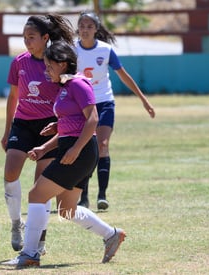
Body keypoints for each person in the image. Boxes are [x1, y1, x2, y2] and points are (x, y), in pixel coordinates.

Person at [5, 40, 126, 269]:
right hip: (75, 149)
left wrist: (75, 149)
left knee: (36, 194)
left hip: (79, 152)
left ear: (62, 64)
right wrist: (46, 145)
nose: (46, 70)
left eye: (49, 66)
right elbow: (72, 125)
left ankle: (30, 254)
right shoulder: (65, 86)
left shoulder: (78, 84)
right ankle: (111, 235)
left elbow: (93, 119)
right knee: (66, 209)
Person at [1, 14, 74, 254]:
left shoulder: (56, 63)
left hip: (49, 126)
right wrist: (6, 130)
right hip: (22, 123)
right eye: (24, 37)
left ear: (45, 38)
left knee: (40, 187)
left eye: (31, 37)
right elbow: (13, 97)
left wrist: (65, 127)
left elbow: (70, 94)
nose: (27, 42)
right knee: (10, 171)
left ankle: (40, 240)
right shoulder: (19, 62)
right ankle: (15, 223)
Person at [75, 11, 156, 210]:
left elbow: (123, 75)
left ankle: (102, 195)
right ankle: (82, 196)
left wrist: (143, 100)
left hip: (104, 102)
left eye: (89, 26)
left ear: (96, 29)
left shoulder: (105, 50)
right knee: (86, 147)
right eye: (82, 26)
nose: (85, 30)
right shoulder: (71, 49)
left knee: (102, 145)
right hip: (82, 105)